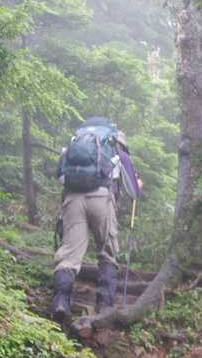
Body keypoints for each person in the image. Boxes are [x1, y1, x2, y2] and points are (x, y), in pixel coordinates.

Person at [51, 117, 141, 324]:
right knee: (107, 251)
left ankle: (61, 303)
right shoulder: (117, 150)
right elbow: (133, 189)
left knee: (69, 255)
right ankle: (104, 305)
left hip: (73, 199)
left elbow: (60, 175)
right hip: (102, 199)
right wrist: (138, 186)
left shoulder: (73, 147)